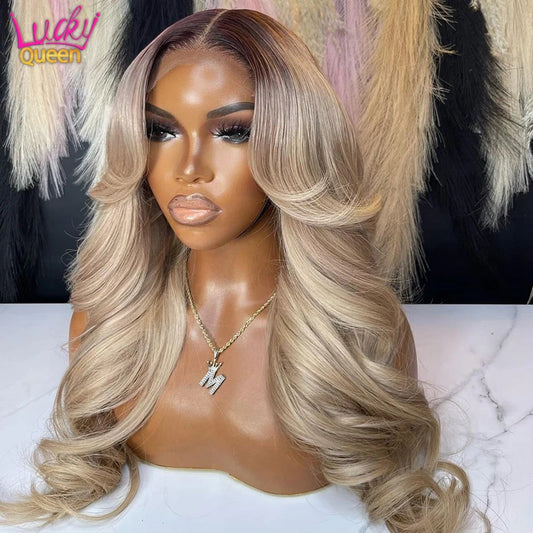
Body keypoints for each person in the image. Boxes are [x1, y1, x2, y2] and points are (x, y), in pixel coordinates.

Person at [0, 8, 483, 532]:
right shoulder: (108, 325)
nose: (189, 169)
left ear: (293, 143)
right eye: (161, 131)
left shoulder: (360, 340)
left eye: (232, 132)